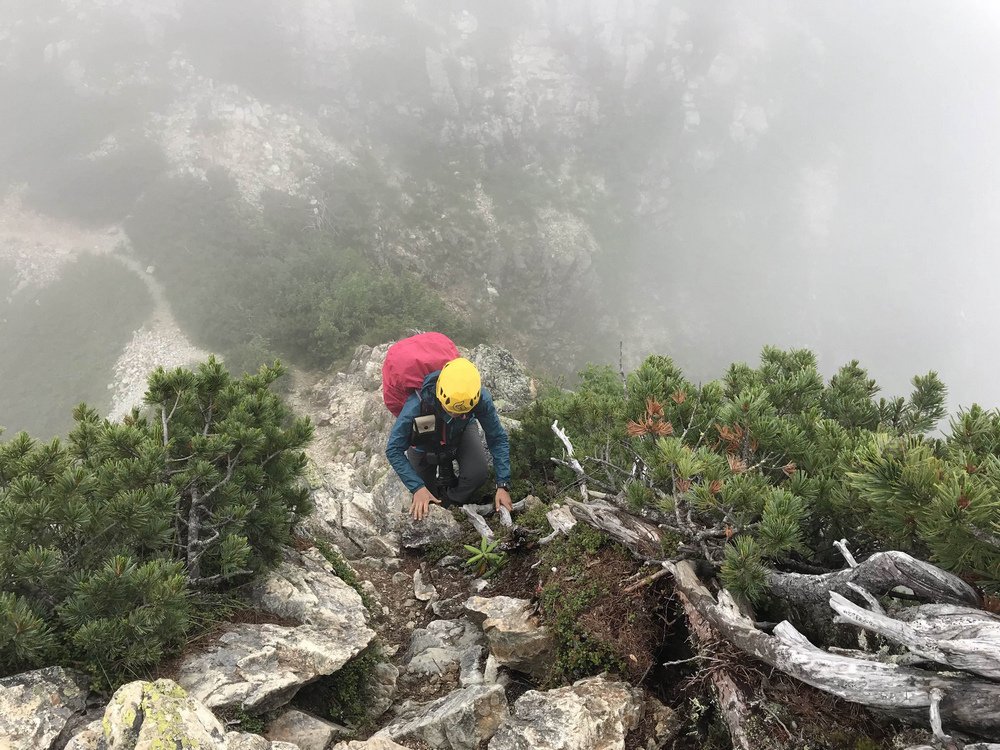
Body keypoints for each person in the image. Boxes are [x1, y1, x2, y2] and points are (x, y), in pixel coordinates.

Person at [385, 355, 513, 521]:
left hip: (462, 432)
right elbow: (393, 449)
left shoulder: (480, 398)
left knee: (478, 473)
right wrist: (418, 488)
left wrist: (503, 485)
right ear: (439, 394)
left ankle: (451, 504)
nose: (454, 415)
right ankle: (436, 502)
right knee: (427, 500)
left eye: (461, 412)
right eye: (450, 410)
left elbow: (497, 437)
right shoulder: (417, 405)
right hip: (423, 444)